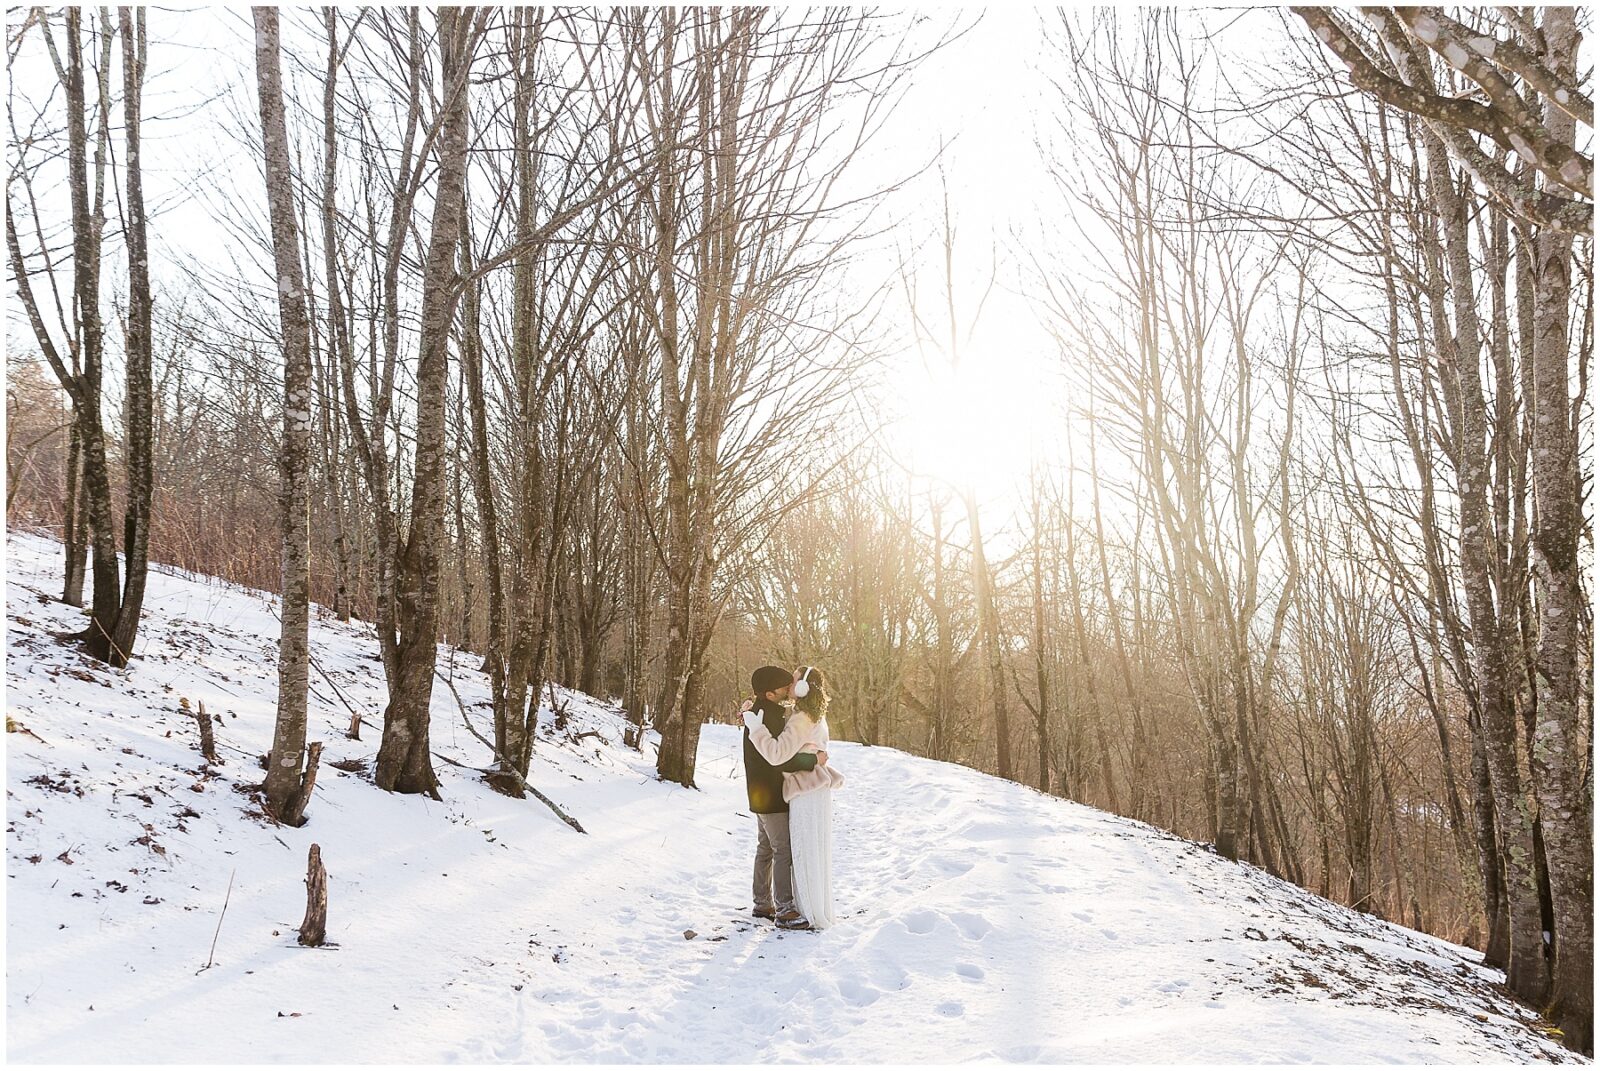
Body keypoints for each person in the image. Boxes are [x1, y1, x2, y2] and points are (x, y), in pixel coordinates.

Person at [743, 665, 844, 930]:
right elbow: (779, 759)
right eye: (786, 685)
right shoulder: (773, 716)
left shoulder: (777, 714)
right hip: (770, 792)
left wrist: (750, 712)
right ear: (771, 693)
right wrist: (813, 758)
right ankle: (784, 908)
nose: (790, 687)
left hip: (763, 790)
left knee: (766, 847)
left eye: (794, 683)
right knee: (782, 849)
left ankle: (763, 903)